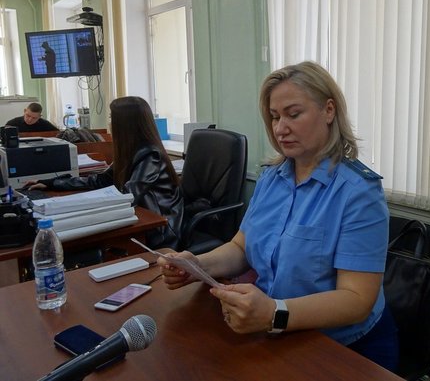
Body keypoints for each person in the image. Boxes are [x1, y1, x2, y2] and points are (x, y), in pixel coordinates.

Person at [158, 61, 399, 370]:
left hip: (345, 348)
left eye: (293, 114)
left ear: (329, 111)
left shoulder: (359, 192)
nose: (280, 128)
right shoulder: (272, 177)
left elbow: (356, 299)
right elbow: (241, 247)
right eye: (274, 117)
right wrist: (197, 265)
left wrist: (275, 313)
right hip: (280, 333)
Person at [25, 96, 183, 249]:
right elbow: (100, 180)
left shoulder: (151, 155)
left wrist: (81, 204)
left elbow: (128, 195)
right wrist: (53, 183)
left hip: (162, 230)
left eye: (111, 118)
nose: (109, 123)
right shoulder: (131, 151)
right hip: (142, 221)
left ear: (125, 124)